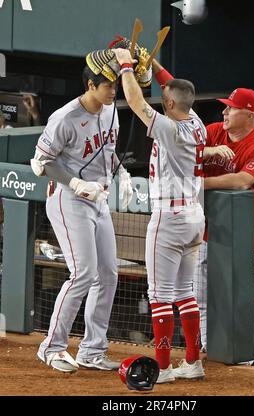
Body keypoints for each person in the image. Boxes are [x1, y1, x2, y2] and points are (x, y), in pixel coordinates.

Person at [30, 50, 133, 373]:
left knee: (108, 274)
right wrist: (74, 184)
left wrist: (122, 173)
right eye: (108, 86)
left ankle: (92, 350)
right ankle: (53, 347)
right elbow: (41, 163)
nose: (113, 91)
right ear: (91, 85)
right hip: (68, 200)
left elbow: (107, 150)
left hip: (98, 198)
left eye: (115, 85)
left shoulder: (110, 110)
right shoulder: (65, 117)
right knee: (83, 274)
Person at [113, 48, 207, 384]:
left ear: (168, 105)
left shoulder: (170, 128)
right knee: (185, 292)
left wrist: (126, 65)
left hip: (169, 219)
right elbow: (174, 87)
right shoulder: (195, 121)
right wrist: (151, 63)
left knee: (160, 295)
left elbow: (137, 104)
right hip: (195, 216)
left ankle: (164, 367)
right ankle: (193, 362)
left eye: (164, 98)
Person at [195, 87, 254, 353]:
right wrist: (208, 153)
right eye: (226, 106)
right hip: (205, 230)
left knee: (233, 302)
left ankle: (241, 361)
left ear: (251, 115)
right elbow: (187, 153)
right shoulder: (213, 131)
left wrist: (199, 184)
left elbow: (243, 181)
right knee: (201, 299)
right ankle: (207, 351)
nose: (224, 111)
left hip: (239, 236)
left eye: (231, 107)